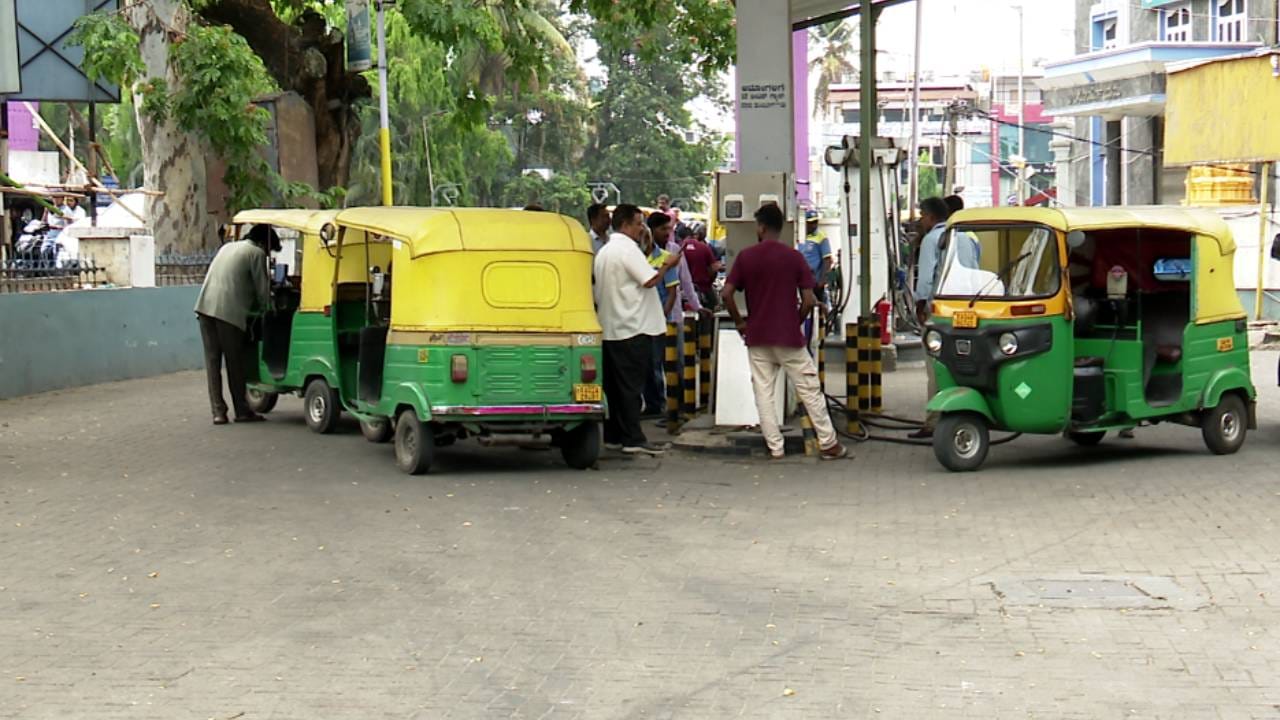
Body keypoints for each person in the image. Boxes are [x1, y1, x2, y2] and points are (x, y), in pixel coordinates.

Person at [721, 204, 849, 461]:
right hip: (788, 337)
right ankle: (828, 443)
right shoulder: (794, 257)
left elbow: (726, 294)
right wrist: (796, 320)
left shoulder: (746, 257)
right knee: (809, 388)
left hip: (757, 337)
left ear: (761, 227)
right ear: (780, 228)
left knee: (764, 393)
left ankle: (775, 448)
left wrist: (740, 323)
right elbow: (809, 300)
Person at [594, 204, 683, 455]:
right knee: (632, 387)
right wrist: (668, 264)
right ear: (625, 225)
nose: (641, 228)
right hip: (632, 327)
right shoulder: (626, 250)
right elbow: (650, 279)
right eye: (638, 223)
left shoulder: (605, 251)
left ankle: (614, 435)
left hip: (611, 326)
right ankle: (633, 438)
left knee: (614, 387)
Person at [194, 224, 276, 425]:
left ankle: (218, 412)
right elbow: (263, 292)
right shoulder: (256, 253)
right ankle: (242, 410)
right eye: (270, 249)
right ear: (264, 243)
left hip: (204, 307)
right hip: (228, 313)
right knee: (235, 362)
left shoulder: (227, 247)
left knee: (213, 362)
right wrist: (272, 305)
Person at [679, 222, 722, 311]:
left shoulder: (677, 248)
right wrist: (709, 282)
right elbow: (713, 269)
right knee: (713, 310)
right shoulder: (704, 247)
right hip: (703, 289)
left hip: (682, 290)